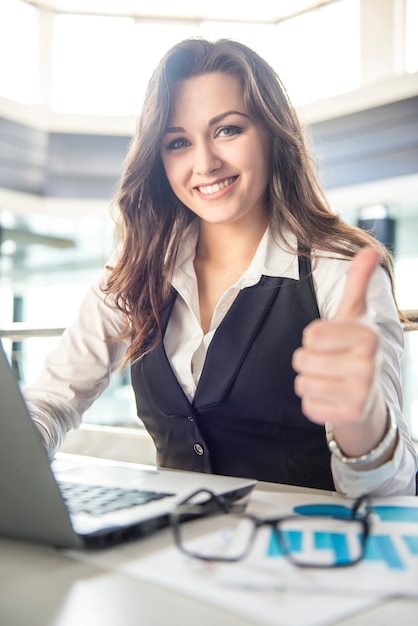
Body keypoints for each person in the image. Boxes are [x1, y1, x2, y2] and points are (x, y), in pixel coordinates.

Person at [24, 38, 417, 496]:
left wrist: (362, 420)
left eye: (228, 130)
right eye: (178, 142)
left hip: (308, 553)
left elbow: (395, 486)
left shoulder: (338, 267)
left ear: (273, 133)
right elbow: (53, 397)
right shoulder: (140, 266)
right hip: (174, 551)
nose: (205, 163)